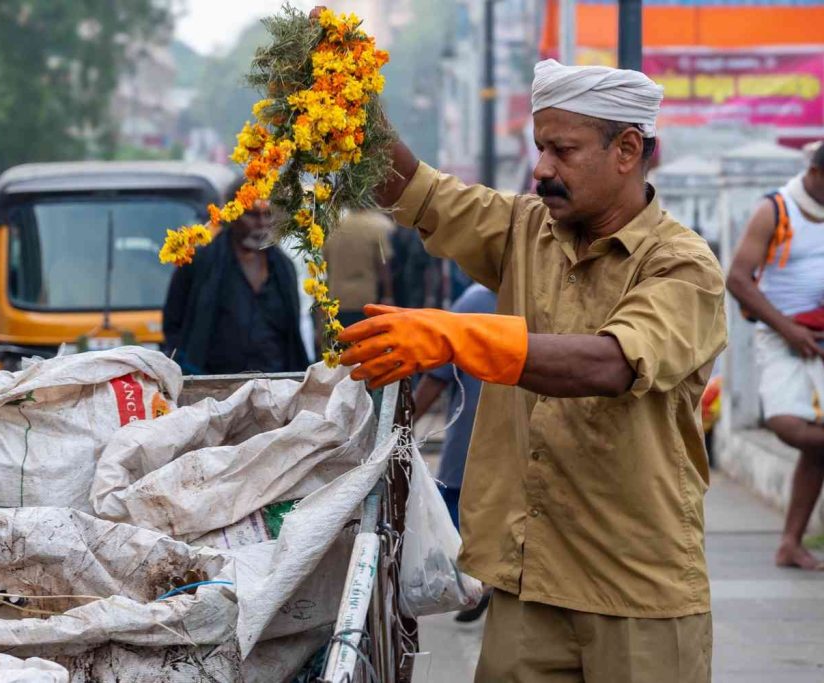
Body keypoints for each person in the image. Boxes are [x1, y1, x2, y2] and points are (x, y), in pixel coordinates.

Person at [331, 50, 727, 682]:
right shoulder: (525, 228)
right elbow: (413, 190)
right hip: (528, 584)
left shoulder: (682, 266)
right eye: (540, 147)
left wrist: (457, 336)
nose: (541, 168)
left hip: (637, 594)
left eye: (562, 151)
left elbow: (610, 364)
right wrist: (347, 106)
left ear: (627, 150)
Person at [726, 139, 824, 571]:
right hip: (780, 335)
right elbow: (738, 279)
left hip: (820, 334)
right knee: (789, 426)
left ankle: (790, 543)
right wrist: (789, 328)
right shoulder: (776, 209)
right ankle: (791, 543)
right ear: (817, 174)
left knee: (817, 448)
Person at [412, 282, 497, 623]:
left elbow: (437, 377)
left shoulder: (475, 300)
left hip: (473, 441)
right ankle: (482, 583)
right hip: (482, 440)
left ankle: (479, 583)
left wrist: (401, 421)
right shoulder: (482, 300)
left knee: (457, 514)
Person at [162, 180, 309, 375]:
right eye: (252, 215)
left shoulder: (283, 268)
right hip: (214, 385)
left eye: (268, 215)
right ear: (232, 216)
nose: (262, 223)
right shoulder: (200, 263)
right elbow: (173, 324)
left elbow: (292, 334)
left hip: (275, 384)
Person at [322, 208, 394, 327]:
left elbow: (325, 266)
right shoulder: (380, 225)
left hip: (337, 300)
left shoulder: (334, 226)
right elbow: (384, 266)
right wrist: (388, 295)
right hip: (367, 301)